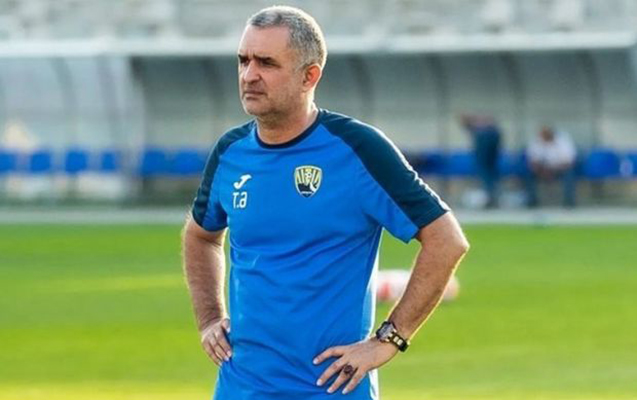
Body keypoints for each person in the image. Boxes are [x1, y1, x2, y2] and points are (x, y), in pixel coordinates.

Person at [181, 6, 470, 400]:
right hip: (241, 387)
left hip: (331, 388)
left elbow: (446, 240)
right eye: (243, 60)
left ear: (310, 76)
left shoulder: (357, 148)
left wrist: (389, 339)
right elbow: (200, 236)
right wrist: (210, 318)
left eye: (267, 63)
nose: (249, 75)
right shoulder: (231, 152)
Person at [525, 126, 577, 207]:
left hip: (560, 169)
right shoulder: (536, 142)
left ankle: (569, 202)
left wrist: (554, 169)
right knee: (528, 174)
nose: (544, 137)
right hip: (542, 170)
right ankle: (532, 201)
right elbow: (532, 160)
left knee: (569, 174)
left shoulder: (563, 142)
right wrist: (541, 170)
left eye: (547, 134)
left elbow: (569, 161)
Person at [460, 115, 502, 208]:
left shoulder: (485, 134)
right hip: (487, 161)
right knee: (489, 179)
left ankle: (491, 199)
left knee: (488, 179)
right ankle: (491, 199)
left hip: (486, 161)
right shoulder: (484, 133)